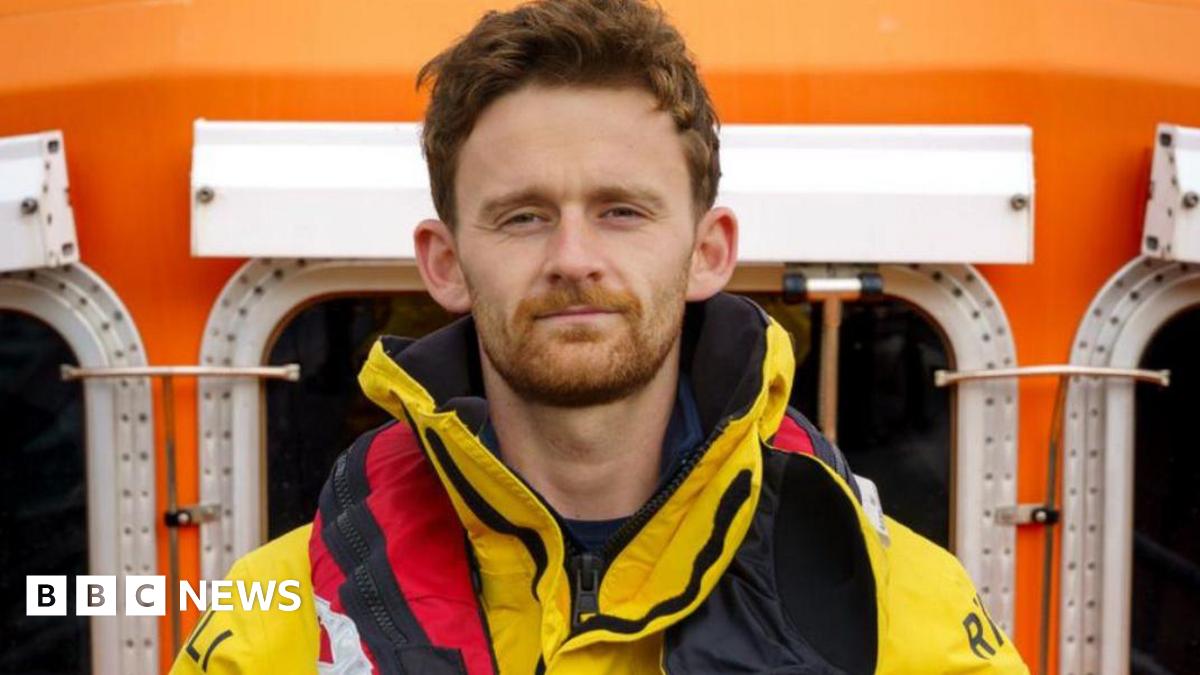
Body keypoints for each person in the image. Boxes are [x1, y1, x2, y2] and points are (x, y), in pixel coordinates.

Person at [172, 0, 1029, 672]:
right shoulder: (272, 618)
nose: (572, 259)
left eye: (621, 211)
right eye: (521, 216)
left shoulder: (897, 611)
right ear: (445, 263)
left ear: (707, 252)